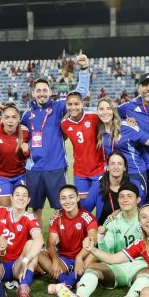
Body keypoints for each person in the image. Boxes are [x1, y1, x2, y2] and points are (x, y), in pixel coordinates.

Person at [20, 54, 90, 230]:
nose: (42, 93)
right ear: (33, 93)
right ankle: (38, 242)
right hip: (34, 169)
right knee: (35, 209)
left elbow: (80, 93)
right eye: (39, 90)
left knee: (59, 208)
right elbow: (21, 137)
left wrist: (83, 70)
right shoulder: (27, 115)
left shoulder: (58, 107)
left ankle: (58, 241)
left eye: (45, 90)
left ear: (50, 92)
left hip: (56, 168)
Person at [66, 183, 149, 297]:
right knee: (92, 268)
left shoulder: (148, 217)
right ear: (118, 200)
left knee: (148, 272)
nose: (125, 199)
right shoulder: (112, 221)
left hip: (140, 266)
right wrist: (101, 238)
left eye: (129, 196)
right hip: (117, 266)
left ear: (138, 199)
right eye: (122, 196)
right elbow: (107, 253)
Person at [37, 185, 99, 297]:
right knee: (38, 254)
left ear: (78, 198)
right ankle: (68, 281)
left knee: (95, 252)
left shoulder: (87, 217)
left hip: (84, 256)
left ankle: (66, 281)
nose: (68, 201)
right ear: (60, 201)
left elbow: (92, 240)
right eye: (63, 198)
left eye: (71, 197)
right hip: (64, 258)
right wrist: (55, 261)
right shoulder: (57, 218)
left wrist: (79, 257)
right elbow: (50, 244)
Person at [95, 96, 149, 192]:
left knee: (138, 204)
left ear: (113, 111)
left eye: (108, 108)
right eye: (101, 109)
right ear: (97, 111)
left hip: (134, 172)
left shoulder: (127, 126)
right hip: (115, 174)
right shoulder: (99, 129)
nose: (105, 112)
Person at [60, 91, 105, 202]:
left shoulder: (94, 117)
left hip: (98, 169)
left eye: (76, 104)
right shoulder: (64, 124)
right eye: (70, 104)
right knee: (84, 208)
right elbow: (64, 138)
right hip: (80, 172)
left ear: (82, 104)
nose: (73, 107)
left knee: (101, 207)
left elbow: (111, 121)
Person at [83, 151, 144, 223]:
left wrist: (120, 211)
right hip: (105, 230)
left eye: (120, 164)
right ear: (107, 167)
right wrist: (93, 228)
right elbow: (85, 212)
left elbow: (142, 208)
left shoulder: (134, 185)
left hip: (129, 230)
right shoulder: (97, 186)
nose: (116, 167)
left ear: (125, 167)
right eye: (112, 164)